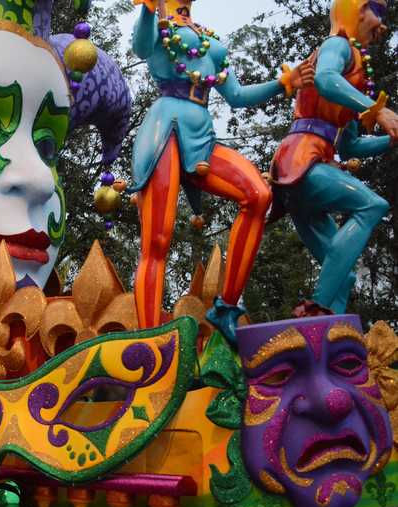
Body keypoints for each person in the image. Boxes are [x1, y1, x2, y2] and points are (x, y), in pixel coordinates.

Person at [130, 0, 313, 343]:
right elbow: (141, 44)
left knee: (259, 195)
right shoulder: (160, 29)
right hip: (164, 131)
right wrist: (147, 9)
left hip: (202, 139)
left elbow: (238, 96)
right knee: (157, 239)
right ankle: (149, 343)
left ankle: (226, 306)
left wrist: (284, 83)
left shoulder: (211, 43)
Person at [271, 0, 397, 314]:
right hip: (301, 159)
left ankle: (332, 336)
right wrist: (377, 110)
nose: (382, 25)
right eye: (377, 12)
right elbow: (325, 79)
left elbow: (351, 147)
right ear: (355, 10)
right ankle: (318, 309)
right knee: (372, 205)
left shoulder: (355, 79)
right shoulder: (337, 45)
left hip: (311, 170)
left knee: (342, 274)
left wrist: (391, 139)